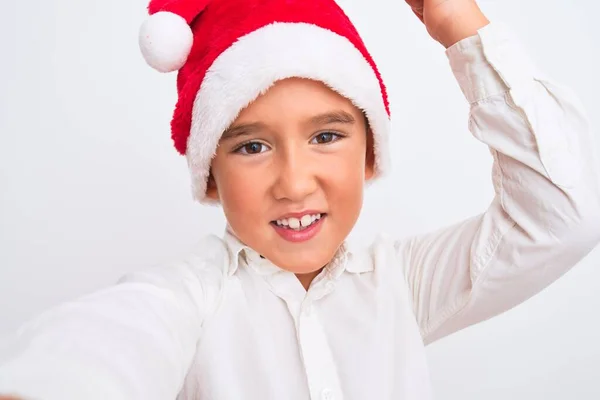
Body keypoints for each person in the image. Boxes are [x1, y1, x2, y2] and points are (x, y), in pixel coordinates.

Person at [1, 0, 599, 398]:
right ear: (210, 175)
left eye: (326, 136)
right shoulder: (188, 297)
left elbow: (564, 216)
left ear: (371, 155)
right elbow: (106, 343)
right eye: (252, 146)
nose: (293, 181)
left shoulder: (404, 283)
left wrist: (458, 27)